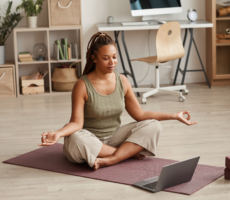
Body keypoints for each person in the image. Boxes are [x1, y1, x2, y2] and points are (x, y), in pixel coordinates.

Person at [38, 32, 197, 170]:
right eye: (106, 58)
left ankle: (112, 159)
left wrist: (174, 116)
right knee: (74, 139)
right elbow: (76, 124)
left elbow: (140, 114)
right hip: (89, 138)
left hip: (115, 136)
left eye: (114, 57)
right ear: (94, 58)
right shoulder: (82, 85)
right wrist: (58, 133)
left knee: (154, 125)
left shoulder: (122, 80)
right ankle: (125, 153)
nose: (112, 62)